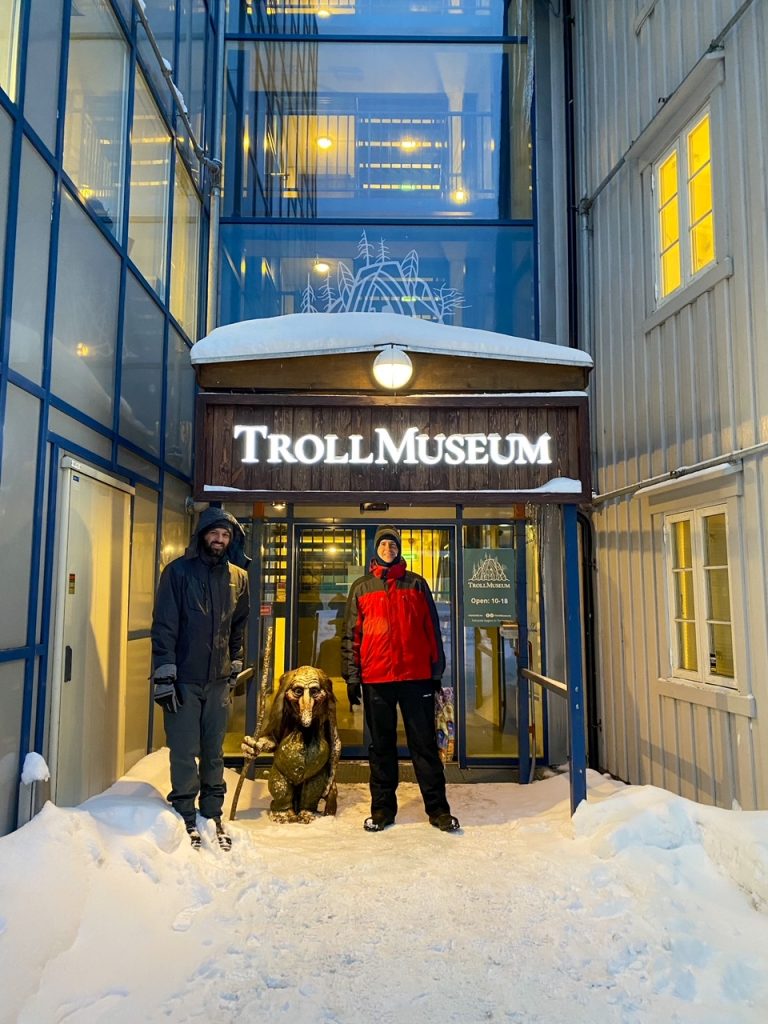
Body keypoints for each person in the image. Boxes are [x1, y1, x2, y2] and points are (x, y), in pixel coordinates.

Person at [342, 525, 460, 833]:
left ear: (399, 550)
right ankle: (382, 810)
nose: (388, 549)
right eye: (383, 545)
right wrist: (352, 677)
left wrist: (436, 671)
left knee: (423, 746)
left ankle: (438, 810)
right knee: (381, 747)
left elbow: (432, 631)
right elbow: (351, 635)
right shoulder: (362, 587)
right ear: (375, 550)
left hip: (415, 677)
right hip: (377, 679)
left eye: (392, 545)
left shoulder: (417, 584)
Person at [151, 507, 250, 849]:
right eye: (215, 533)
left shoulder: (238, 577)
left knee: (214, 752)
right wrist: (164, 675)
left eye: (225, 535)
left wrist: (235, 662)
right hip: (184, 681)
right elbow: (164, 626)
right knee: (183, 750)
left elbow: (238, 625)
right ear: (202, 534)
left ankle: (212, 811)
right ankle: (184, 811)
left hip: (219, 680)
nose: (220, 540)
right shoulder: (177, 573)